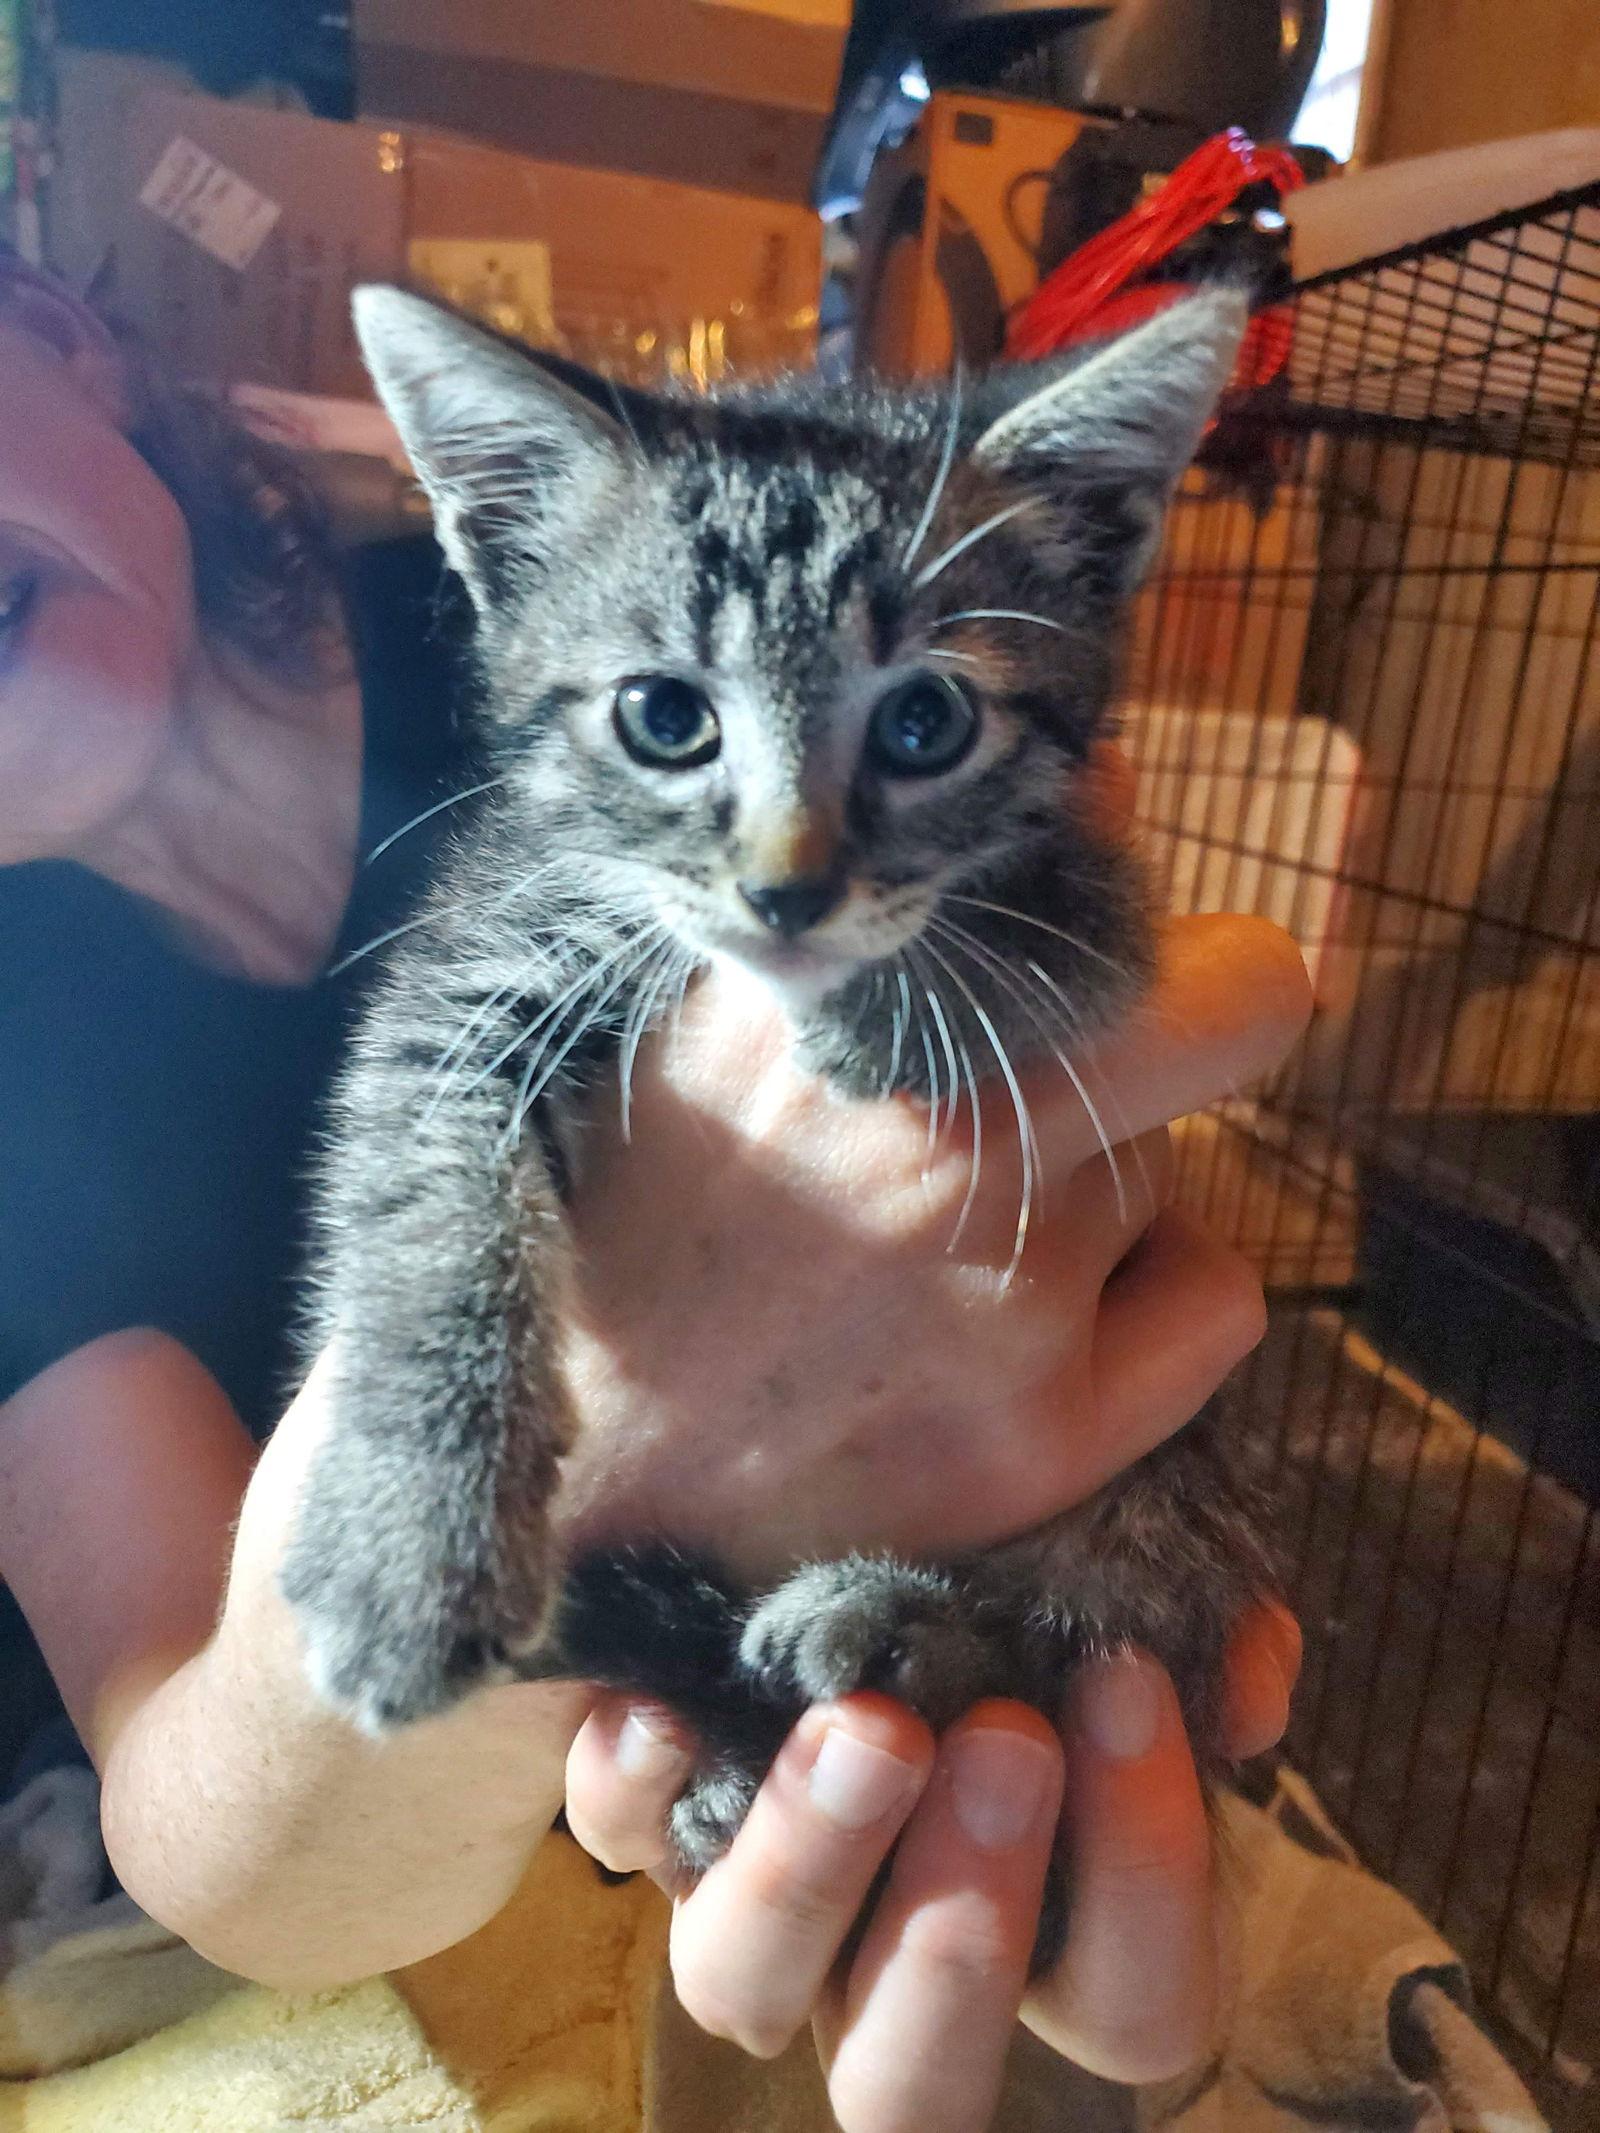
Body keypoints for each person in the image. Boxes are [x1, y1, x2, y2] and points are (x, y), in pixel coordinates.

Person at [0, 252, 1311, 2133]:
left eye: (917, 725)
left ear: (60, 332)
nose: (787, 863)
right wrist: (593, 1455)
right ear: (506, 549)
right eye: (679, 726)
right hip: (563, 1794)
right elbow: (214, 1822)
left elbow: (1100, 928)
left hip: (997, 1651)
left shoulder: (620, 582)